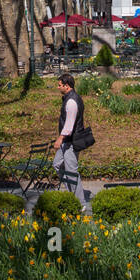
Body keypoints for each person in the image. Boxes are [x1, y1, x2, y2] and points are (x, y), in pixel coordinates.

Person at [53, 72, 89, 210]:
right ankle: (71, 193)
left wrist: (60, 138)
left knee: (72, 171)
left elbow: (69, 124)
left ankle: (80, 203)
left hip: (71, 142)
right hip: (66, 142)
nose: (58, 88)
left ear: (66, 86)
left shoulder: (72, 101)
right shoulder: (68, 98)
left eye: (59, 85)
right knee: (57, 164)